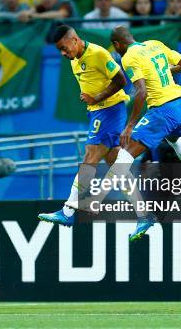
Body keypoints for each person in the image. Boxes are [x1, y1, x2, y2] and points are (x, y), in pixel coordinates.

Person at [109, 25, 181, 240]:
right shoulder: (154, 44)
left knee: (120, 163)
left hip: (163, 110)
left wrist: (130, 125)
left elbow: (140, 92)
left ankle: (144, 217)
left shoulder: (129, 57)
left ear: (117, 45)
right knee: (175, 139)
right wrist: (165, 72)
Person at [38, 25, 129, 227]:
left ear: (75, 39)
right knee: (116, 163)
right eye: (59, 50)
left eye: (64, 47)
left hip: (110, 110)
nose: (63, 53)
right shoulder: (74, 60)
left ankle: (68, 211)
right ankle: (145, 213)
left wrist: (95, 98)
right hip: (98, 112)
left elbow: (121, 80)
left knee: (90, 156)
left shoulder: (97, 53)